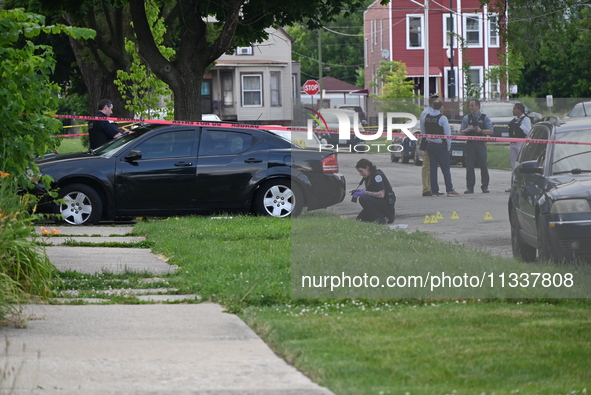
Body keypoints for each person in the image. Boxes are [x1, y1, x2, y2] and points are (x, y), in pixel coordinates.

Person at [424, 98, 461, 197]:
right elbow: (447, 134)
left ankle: (434, 190)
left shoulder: (427, 117)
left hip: (430, 144)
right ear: (441, 107)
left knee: (433, 168)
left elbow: (424, 131)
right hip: (440, 145)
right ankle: (449, 189)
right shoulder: (442, 118)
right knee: (445, 168)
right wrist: (448, 146)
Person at [460, 99, 493, 194]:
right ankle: (470, 187)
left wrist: (481, 131)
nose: (471, 107)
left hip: (480, 143)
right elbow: (461, 131)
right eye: (470, 105)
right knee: (469, 166)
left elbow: (491, 131)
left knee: (483, 164)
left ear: (478, 106)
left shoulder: (484, 117)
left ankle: (485, 186)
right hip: (470, 143)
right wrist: (467, 129)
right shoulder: (467, 118)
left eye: (472, 105)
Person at [351, 158, 396, 224]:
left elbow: (381, 194)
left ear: (367, 168)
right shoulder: (368, 177)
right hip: (378, 203)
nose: (360, 174)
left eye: (361, 171)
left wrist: (364, 192)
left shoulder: (377, 176)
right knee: (360, 219)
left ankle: (380, 218)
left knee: (363, 199)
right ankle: (378, 216)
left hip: (386, 203)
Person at [505, 102, 532, 192]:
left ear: (520, 110)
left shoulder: (525, 120)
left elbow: (528, 131)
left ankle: (522, 185)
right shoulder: (514, 120)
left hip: (521, 143)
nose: (513, 111)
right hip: (513, 143)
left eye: (515, 109)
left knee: (521, 165)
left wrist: (520, 125)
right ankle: (514, 185)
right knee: (513, 166)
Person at [418, 94, 439, 197]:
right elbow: (427, 128)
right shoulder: (427, 113)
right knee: (427, 165)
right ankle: (426, 188)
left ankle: (432, 187)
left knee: (432, 165)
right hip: (427, 139)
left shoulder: (433, 112)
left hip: (434, 140)